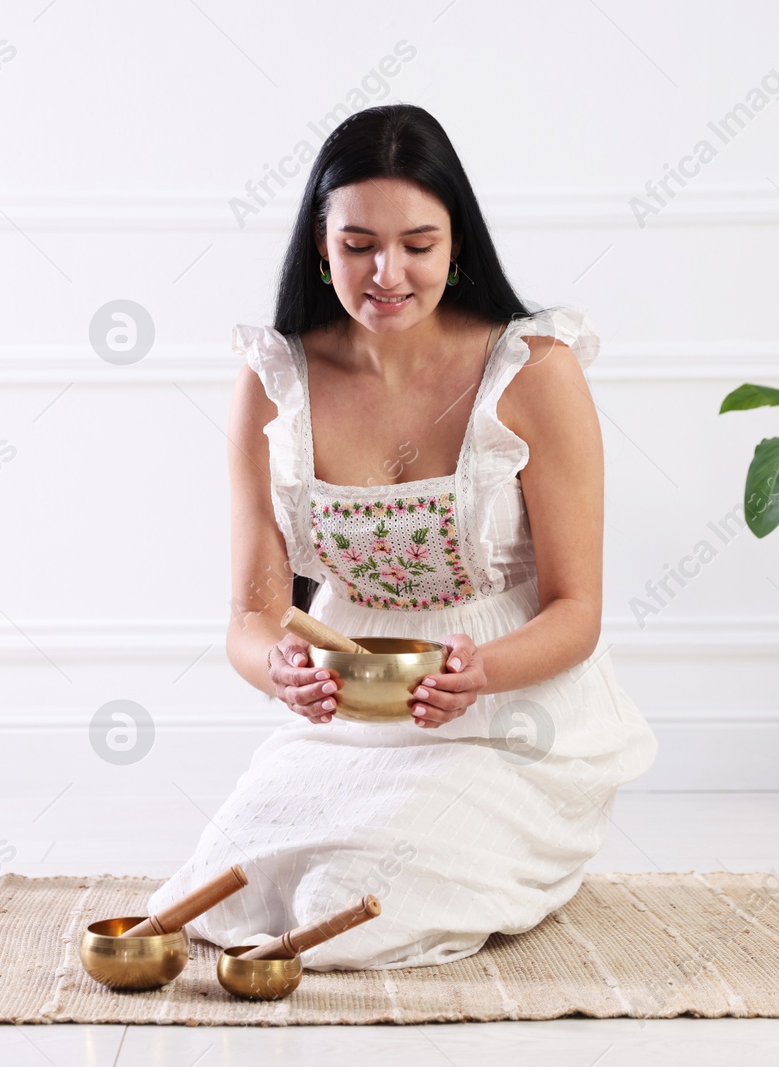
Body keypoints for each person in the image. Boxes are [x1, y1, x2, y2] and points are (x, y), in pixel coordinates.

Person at [146, 104, 658, 970]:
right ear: (319, 243)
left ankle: (525, 856)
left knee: (350, 905)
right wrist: (276, 668)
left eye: (418, 244)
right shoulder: (276, 380)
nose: (388, 272)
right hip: (351, 722)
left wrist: (481, 673)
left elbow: (579, 610)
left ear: (458, 244)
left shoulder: (534, 370)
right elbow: (252, 611)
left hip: (511, 720)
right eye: (358, 245)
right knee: (229, 894)